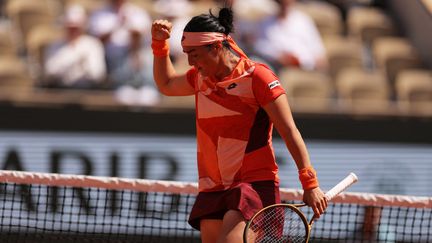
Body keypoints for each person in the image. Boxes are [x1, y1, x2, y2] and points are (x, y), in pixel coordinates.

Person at [151, 6, 328, 243]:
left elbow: (288, 131)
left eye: (194, 53)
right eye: (186, 53)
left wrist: (310, 182)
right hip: (213, 186)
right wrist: (159, 46)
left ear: (215, 47)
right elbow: (166, 84)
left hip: (252, 184)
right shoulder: (200, 78)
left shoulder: (259, 78)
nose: (190, 61)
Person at [251, 0, 328, 72]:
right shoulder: (266, 22)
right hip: (277, 68)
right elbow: (260, 46)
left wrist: (302, 61)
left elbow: (317, 50)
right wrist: (279, 56)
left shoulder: (303, 20)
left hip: (305, 68)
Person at [44, 5, 106, 89]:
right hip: (60, 90)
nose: (73, 31)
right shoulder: (55, 45)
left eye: (76, 28)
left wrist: (82, 68)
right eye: (70, 27)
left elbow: (97, 73)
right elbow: (50, 71)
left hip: (87, 91)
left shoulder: (93, 45)